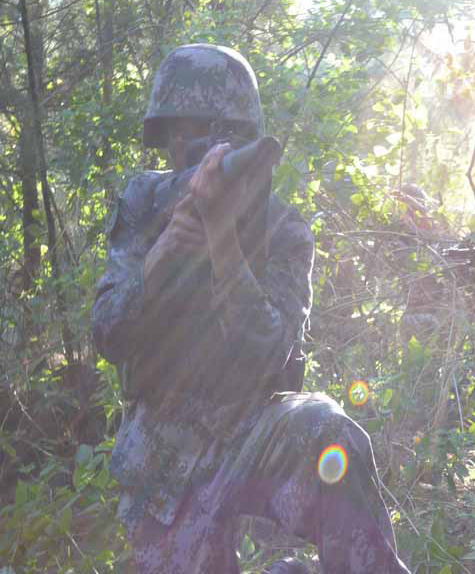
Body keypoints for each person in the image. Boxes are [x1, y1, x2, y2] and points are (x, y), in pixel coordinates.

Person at [92, 43, 410, 574]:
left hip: (252, 428)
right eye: (175, 135)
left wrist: (222, 240)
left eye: (202, 135)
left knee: (330, 431)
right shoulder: (145, 204)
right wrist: (164, 252)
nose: (186, 151)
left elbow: (269, 350)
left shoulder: (283, 230)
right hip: (162, 454)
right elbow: (108, 332)